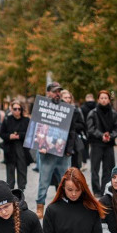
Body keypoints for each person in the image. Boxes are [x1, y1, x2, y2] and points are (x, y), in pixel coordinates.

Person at [35, 82, 77, 219]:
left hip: (63, 152)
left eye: (59, 91)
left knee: (65, 181)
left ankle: (66, 206)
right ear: (48, 93)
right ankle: (40, 207)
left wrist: (69, 149)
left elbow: (72, 131)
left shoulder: (67, 109)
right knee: (44, 182)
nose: (57, 94)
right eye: (54, 91)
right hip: (47, 152)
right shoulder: (43, 108)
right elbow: (38, 128)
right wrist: (39, 145)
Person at [86, 90, 117, 196]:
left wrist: (110, 136)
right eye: (101, 98)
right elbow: (90, 128)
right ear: (98, 99)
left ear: (109, 100)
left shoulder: (114, 113)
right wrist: (101, 135)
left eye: (105, 98)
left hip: (109, 144)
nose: (103, 100)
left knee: (108, 169)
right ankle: (96, 191)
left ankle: (104, 190)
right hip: (96, 144)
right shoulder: (93, 113)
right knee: (95, 169)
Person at [0, 100, 31, 191]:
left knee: (22, 170)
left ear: (21, 110)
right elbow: (1, 133)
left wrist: (19, 136)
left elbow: (30, 134)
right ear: (11, 109)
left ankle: (21, 190)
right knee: (10, 171)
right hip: (10, 148)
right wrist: (9, 136)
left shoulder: (26, 120)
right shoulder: (7, 119)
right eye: (15, 109)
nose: (17, 111)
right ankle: (10, 190)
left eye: (19, 109)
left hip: (22, 149)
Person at [60, 90, 86, 169]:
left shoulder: (75, 110)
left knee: (73, 167)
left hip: (72, 142)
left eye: (69, 98)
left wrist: (72, 125)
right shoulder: (57, 110)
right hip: (59, 141)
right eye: (65, 98)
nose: (67, 99)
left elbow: (82, 125)